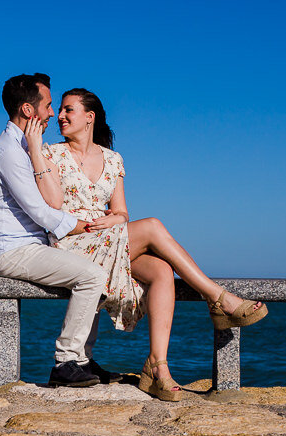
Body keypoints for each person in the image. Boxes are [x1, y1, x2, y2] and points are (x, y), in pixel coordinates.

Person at [24, 88, 266, 401]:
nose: (60, 116)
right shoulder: (50, 153)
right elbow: (50, 205)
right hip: (74, 243)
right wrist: (33, 151)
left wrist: (116, 219)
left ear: (89, 117)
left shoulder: (113, 160)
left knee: (162, 270)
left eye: (69, 110)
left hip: (111, 238)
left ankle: (158, 367)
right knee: (152, 227)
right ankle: (219, 299)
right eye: (60, 111)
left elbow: (122, 211)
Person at [0, 73, 113, 388]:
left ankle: (82, 358)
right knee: (92, 276)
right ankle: (66, 361)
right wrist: (84, 225)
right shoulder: (8, 151)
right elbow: (40, 210)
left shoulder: (25, 146)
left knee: (102, 264)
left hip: (33, 247)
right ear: (29, 110)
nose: (53, 114)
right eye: (49, 105)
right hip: (12, 251)